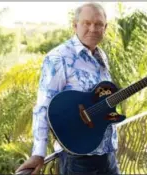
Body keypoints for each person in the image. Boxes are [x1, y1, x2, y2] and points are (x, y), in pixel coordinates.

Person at [16, 2, 120, 175]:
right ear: (75, 25)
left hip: (108, 155)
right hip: (79, 160)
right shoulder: (59, 57)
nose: (93, 28)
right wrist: (38, 153)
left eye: (98, 24)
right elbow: (43, 106)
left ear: (105, 28)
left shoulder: (101, 56)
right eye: (87, 23)